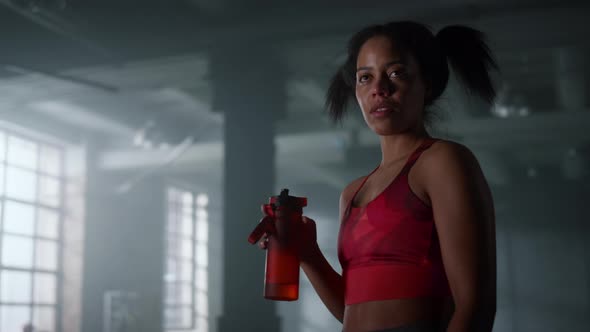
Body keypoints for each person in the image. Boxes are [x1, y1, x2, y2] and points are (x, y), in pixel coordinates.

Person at [260, 21, 497, 332]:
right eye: (365, 78)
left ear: (427, 82)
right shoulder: (352, 192)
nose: (379, 89)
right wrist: (308, 254)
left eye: (396, 73)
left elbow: (475, 307)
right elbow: (353, 309)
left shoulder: (442, 161)